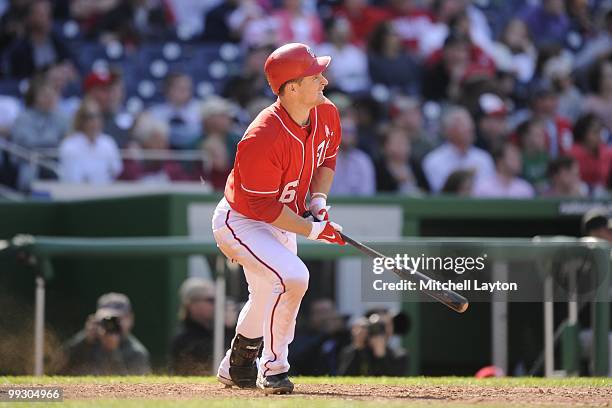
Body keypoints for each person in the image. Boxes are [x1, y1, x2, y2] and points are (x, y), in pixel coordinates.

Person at [211, 43, 345, 394]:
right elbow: (262, 208)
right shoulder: (261, 136)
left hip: (281, 218)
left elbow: (327, 158)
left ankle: (236, 364)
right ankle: (274, 369)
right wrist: (313, 230)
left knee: (267, 294)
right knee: (293, 277)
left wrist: (318, 201)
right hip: (241, 220)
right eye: (315, 76)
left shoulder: (326, 112)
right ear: (291, 87)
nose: (324, 81)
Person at [62, 293, 151, 375]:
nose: (111, 324)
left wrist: (112, 351)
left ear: (130, 319)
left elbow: (131, 386)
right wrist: (84, 340)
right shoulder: (88, 342)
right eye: (106, 319)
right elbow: (58, 365)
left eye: (116, 319)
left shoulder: (136, 353)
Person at [170, 278, 232, 375]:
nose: (218, 305)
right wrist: (227, 329)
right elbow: (210, 359)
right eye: (211, 300)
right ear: (191, 304)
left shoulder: (219, 331)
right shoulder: (183, 340)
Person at [59, 98, 123, 184]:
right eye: (90, 117)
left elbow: (116, 170)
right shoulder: (69, 145)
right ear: (81, 120)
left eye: (98, 116)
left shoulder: (108, 142)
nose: (95, 121)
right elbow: (72, 178)